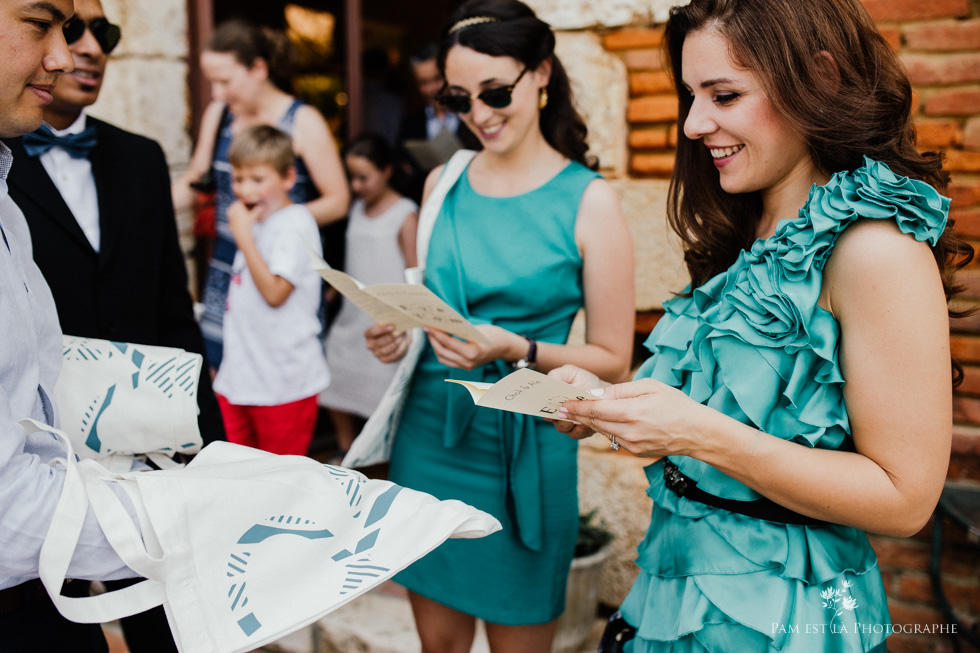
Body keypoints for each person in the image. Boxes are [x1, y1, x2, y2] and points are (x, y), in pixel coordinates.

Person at [554, 0, 972, 651]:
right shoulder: (747, 230)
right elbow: (718, 407)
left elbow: (905, 498)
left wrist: (693, 430)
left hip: (781, 618)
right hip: (675, 595)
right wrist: (607, 404)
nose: (694, 124)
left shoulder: (875, 247)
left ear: (821, 79)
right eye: (691, 95)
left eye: (724, 94)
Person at [365, 1, 635, 651]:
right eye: (459, 99)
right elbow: (429, 305)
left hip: (527, 445)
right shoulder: (441, 182)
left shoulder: (589, 200)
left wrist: (517, 345)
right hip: (429, 437)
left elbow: (614, 358)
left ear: (541, 73)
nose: (479, 115)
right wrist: (398, 334)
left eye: (495, 92)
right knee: (440, 647)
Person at [1, 2, 223, 651]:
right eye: (56, 27)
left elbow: (172, 310)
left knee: (171, 629)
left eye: (102, 31)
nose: (80, 50)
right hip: (47, 485)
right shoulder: (14, 163)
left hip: (144, 448)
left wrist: (206, 444)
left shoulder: (141, 158)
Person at [0, 1, 141, 650]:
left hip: (42, 584)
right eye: (41, 25)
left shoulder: (8, 204)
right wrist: (203, 514)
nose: (64, 56)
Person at [172, 18, 349, 372]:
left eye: (224, 81)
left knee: (276, 376)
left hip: (281, 268)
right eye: (212, 82)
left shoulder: (303, 120)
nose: (217, 93)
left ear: (258, 68)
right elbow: (196, 181)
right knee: (222, 375)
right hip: (226, 268)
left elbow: (338, 200)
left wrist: (273, 222)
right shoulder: (218, 114)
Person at [212, 124, 329, 456]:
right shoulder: (256, 222)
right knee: (237, 471)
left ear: (288, 178)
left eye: (258, 179)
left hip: (284, 383)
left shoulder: (295, 223)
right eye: (238, 179)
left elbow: (275, 294)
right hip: (241, 379)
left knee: (280, 478)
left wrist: (243, 237)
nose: (246, 190)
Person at [318, 132, 418, 463]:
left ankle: (383, 455)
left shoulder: (405, 213)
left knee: (382, 389)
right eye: (352, 178)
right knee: (336, 376)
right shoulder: (356, 209)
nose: (356, 185)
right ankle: (346, 447)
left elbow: (415, 270)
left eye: (364, 177)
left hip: (386, 316)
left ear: (387, 171)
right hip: (352, 312)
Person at [396, 41, 480, 203]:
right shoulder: (410, 123)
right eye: (423, 83)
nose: (432, 89)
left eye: (437, 78)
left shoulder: (473, 115)